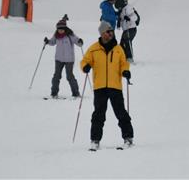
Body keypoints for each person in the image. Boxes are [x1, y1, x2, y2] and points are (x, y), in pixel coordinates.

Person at [81, 21, 134, 150]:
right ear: (102, 33)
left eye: (112, 31)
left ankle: (128, 138)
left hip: (115, 86)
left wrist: (125, 71)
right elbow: (85, 61)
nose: (111, 34)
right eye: (108, 32)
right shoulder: (93, 48)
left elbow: (124, 63)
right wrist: (85, 67)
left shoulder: (118, 49)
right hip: (100, 86)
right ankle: (95, 140)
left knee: (120, 112)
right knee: (98, 114)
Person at [44, 19, 83, 98]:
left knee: (69, 76)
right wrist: (47, 41)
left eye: (61, 29)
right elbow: (52, 42)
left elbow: (77, 41)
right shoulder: (56, 35)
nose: (60, 31)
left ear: (65, 29)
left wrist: (80, 41)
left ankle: (76, 93)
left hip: (69, 60)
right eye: (58, 29)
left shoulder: (70, 35)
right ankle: (54, 93)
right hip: (59, 59)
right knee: (56, 76)